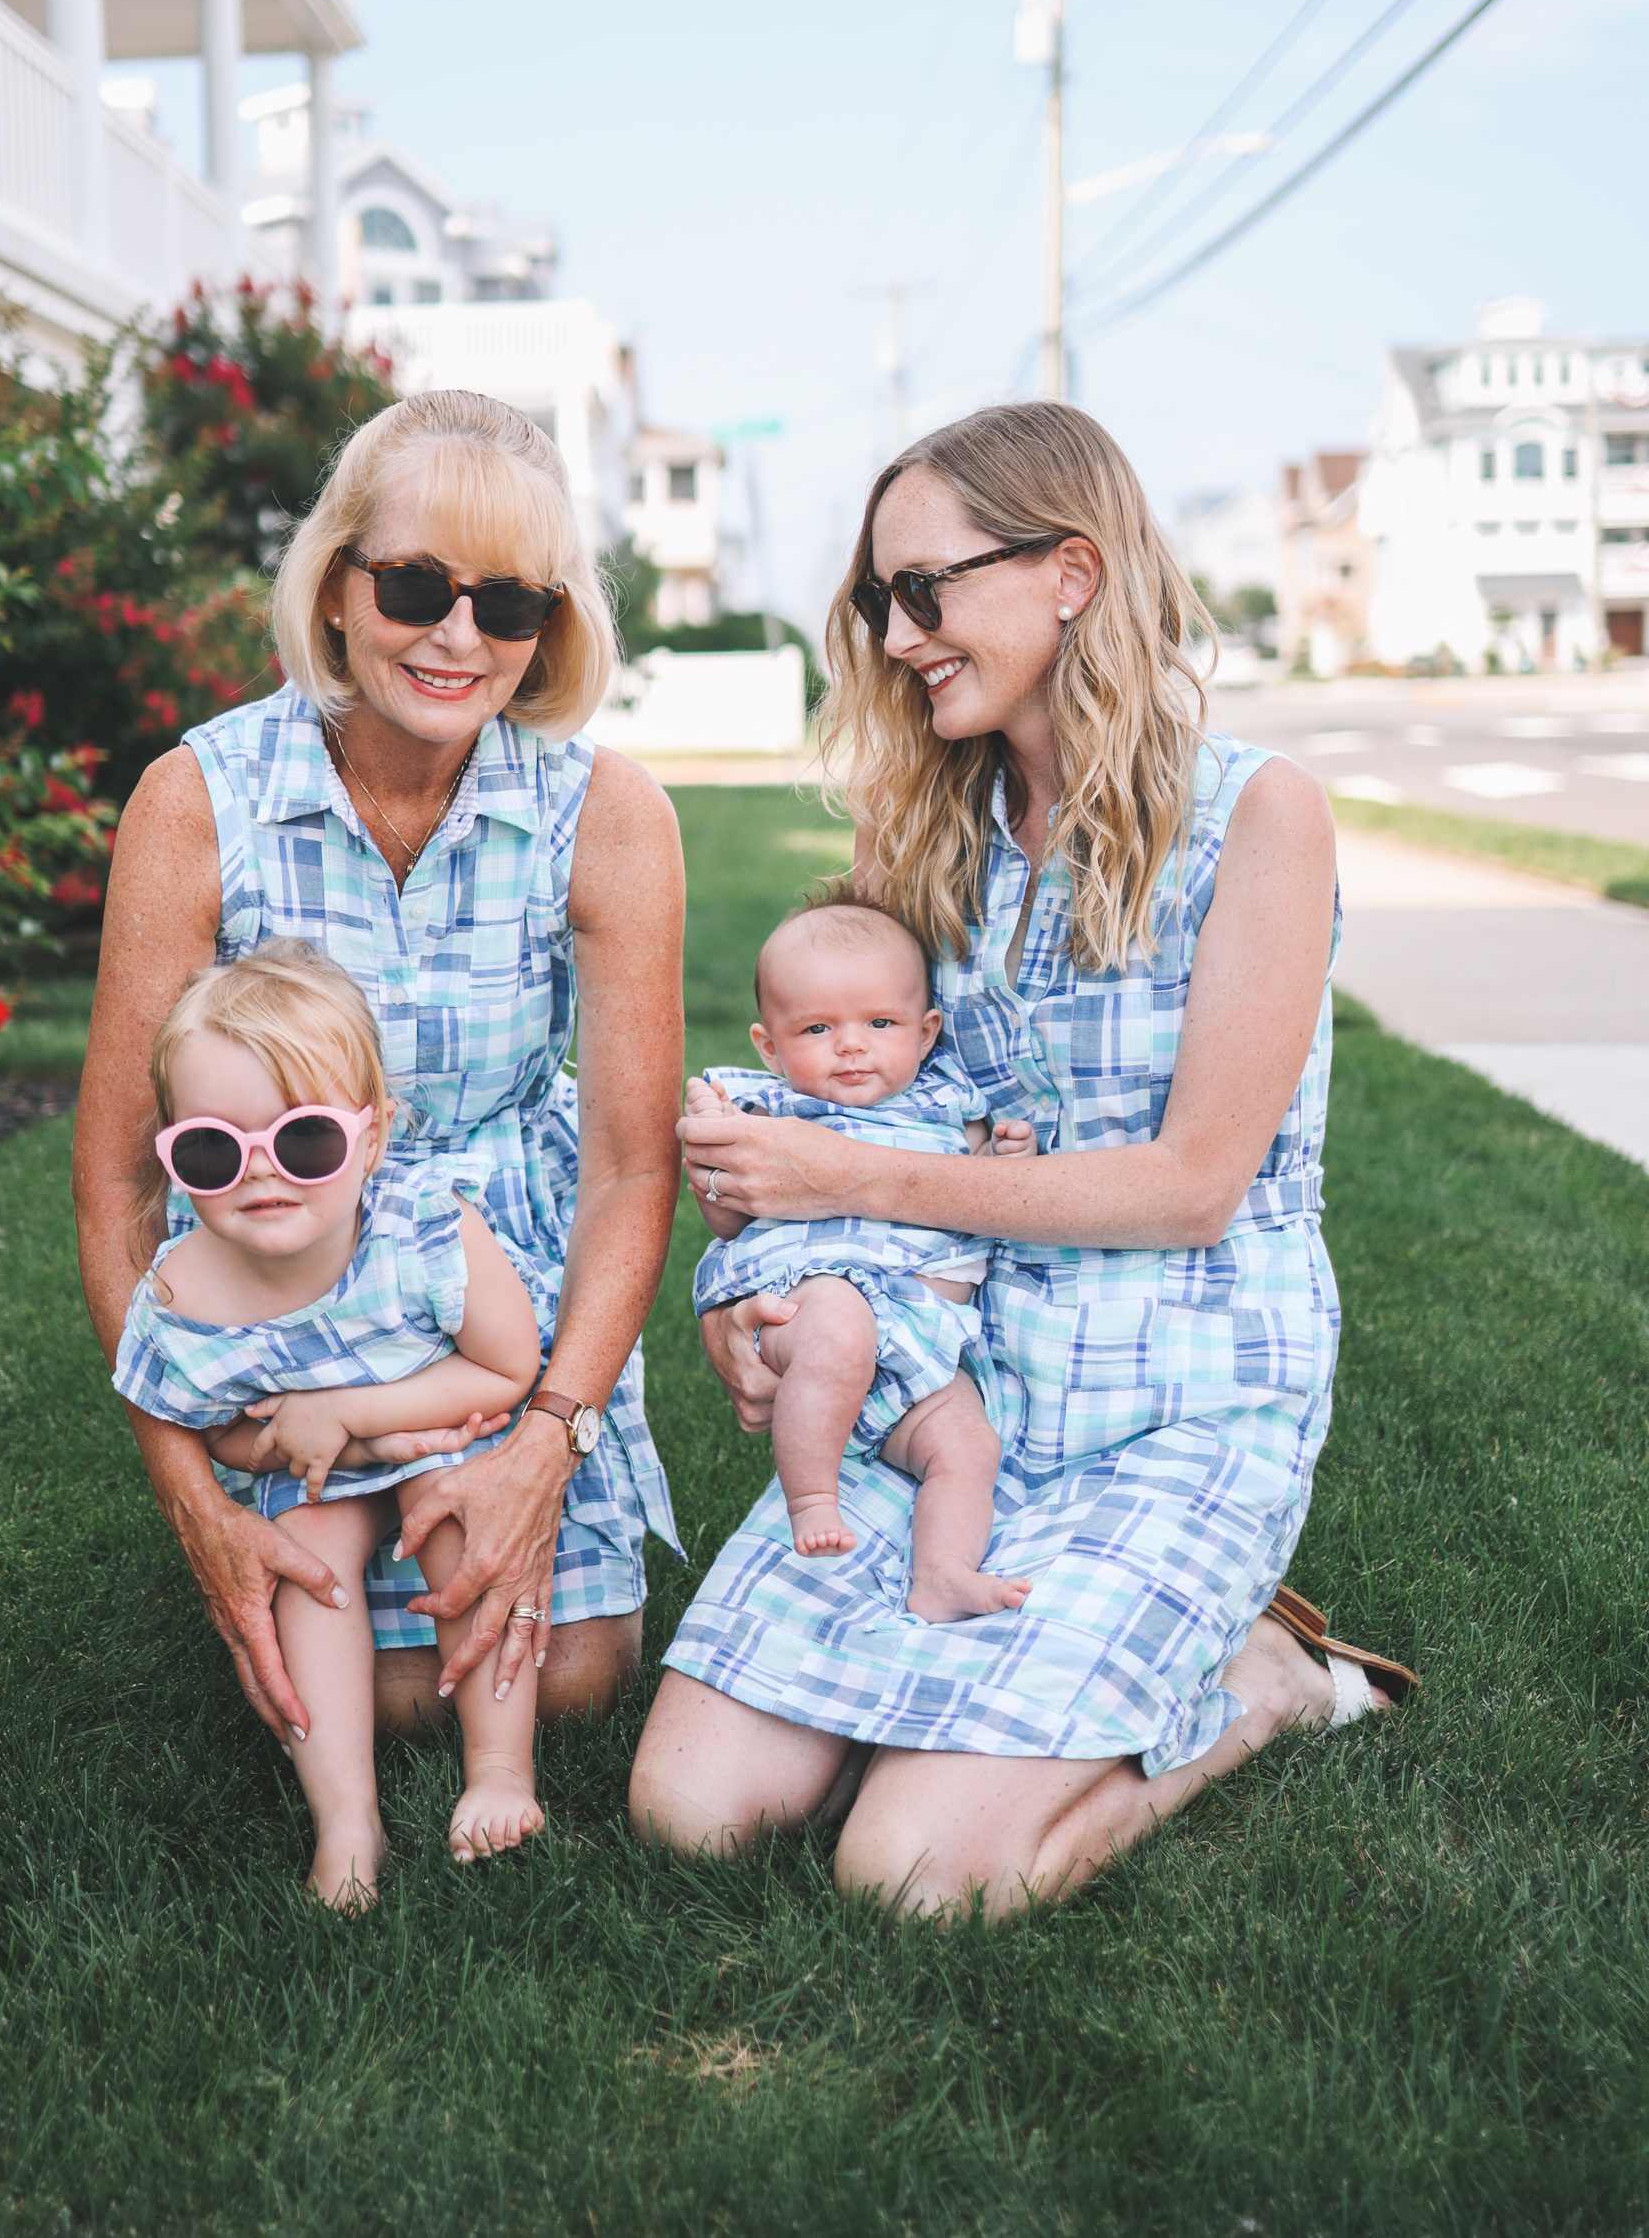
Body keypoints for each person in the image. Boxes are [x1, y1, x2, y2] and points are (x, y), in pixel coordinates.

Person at [632, 400, 1418, 1920]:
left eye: (927, 590)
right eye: (880, 601)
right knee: (689, 1815)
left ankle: (1261, 1677)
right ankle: (990, 1700)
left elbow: (1193, 1184)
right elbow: (840, 1117)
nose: (901, 633)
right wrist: (743, 1299)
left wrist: (840, 1185)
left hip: (1174, 1403)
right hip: (952, 1396)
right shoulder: (927, 829)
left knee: (918, 1876)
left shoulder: (1259, 817)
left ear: (1070, 573)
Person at [74, 388, 685, 1772]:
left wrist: (545, 1437)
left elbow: (633, 1168)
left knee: (569, 1680)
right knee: (355, 1688)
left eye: (509, 605)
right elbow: (119, 1174)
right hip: (282, 1290)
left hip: (502, 1314)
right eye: (415, 585)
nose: (459, 636)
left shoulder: (610, 813)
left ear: (552, 628)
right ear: (339, 587)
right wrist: (196, 1499)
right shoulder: (196, 797)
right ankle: (297, 1533)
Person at [114, 940, 546, 1899]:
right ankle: (347, 1821)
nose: (261, 1176)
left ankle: (500, 1770)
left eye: (305, 1141)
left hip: (438, 1429)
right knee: (305, 1563)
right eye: (213, 1150)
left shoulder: (425, 1229)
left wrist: (354, 1416)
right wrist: (281, 1442)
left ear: (373, 1137)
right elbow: (198, 1423)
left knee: (462, 1521)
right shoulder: (185, 1293)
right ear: (175, 1155)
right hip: (311, 1474)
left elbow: (507, 1367)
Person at [690, 895, 1037, 1618]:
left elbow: (994, 1193)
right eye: (818, 1029)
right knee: (840, 1332)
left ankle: (941, 1573)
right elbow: (726, 1216)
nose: (852, 1045)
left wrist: (1008, 1156)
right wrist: (713, 1143)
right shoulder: (768, 1107)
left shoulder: (949, 1103)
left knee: (968, 1448)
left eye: (880, 1024)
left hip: (924, 1350)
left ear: (925, 1030)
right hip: (819, 1300)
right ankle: (814, 1497)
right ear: (769, 1046)